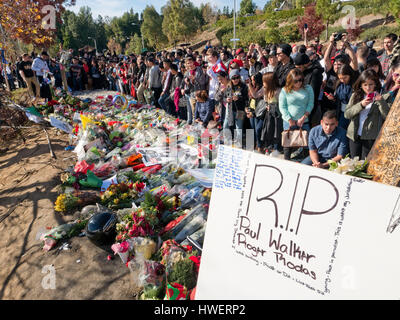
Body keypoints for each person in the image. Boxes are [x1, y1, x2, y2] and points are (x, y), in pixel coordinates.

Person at [344, 69, 391, 160]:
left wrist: (381, 101)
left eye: (371, 84)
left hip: (371, 136)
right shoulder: (356, 95)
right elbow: (347, 114)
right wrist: (361, 105)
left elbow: (388, 117)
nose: (368, 88)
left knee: (365, 164)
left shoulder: (385, 96)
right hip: (354, 135)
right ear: (361, 85)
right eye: (365, 85)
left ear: (376, 84)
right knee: (354, 162)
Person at [279, 68, 314, 161]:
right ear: (290, 80)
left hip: (304, 121)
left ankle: (305, 163)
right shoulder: (285, 90)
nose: (299, 83)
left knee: (306, 143)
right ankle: (287, 162)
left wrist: (304, 117)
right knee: (288, 145)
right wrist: (290, 120)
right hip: (288, 121)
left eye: (301, 80)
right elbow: (282, 106)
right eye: (296, 81)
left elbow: (311, 103)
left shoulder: (308, 88)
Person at [260, 72, 282, 155]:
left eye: (264, 81)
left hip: (277, 116)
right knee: (268, 131)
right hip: (269, 116)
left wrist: (273, 107)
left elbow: (281, 105)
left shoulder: (279, 91)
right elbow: (265, 101)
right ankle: (268, 147)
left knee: (276, 132)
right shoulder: (266, 91)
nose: (263, 83)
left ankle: (276, 149)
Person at [181, 55, 208, 124]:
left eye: (190, 62)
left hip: (201, 94)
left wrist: (194, 79)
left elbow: (203, 82)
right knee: (194, 114)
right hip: (192, 94)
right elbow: (188, 85)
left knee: (202, 113)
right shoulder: (187, 72)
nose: (189, 65)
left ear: (193, 62)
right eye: (188, 63)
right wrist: (188, 83)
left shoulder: (199, 70)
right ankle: (195, 127)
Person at [229, 68, 249, 148]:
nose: (236, 79)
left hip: (240, 110)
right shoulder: (229, 86)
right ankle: (231, 141)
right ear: (231, 79)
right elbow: (224, 97)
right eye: (234, 78)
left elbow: (246, 98)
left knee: (239, 127)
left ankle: (239, 143)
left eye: (237, 77)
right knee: (228, 125)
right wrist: (227, 99)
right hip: (231, 109)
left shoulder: (243, 86)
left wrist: (239, 98)